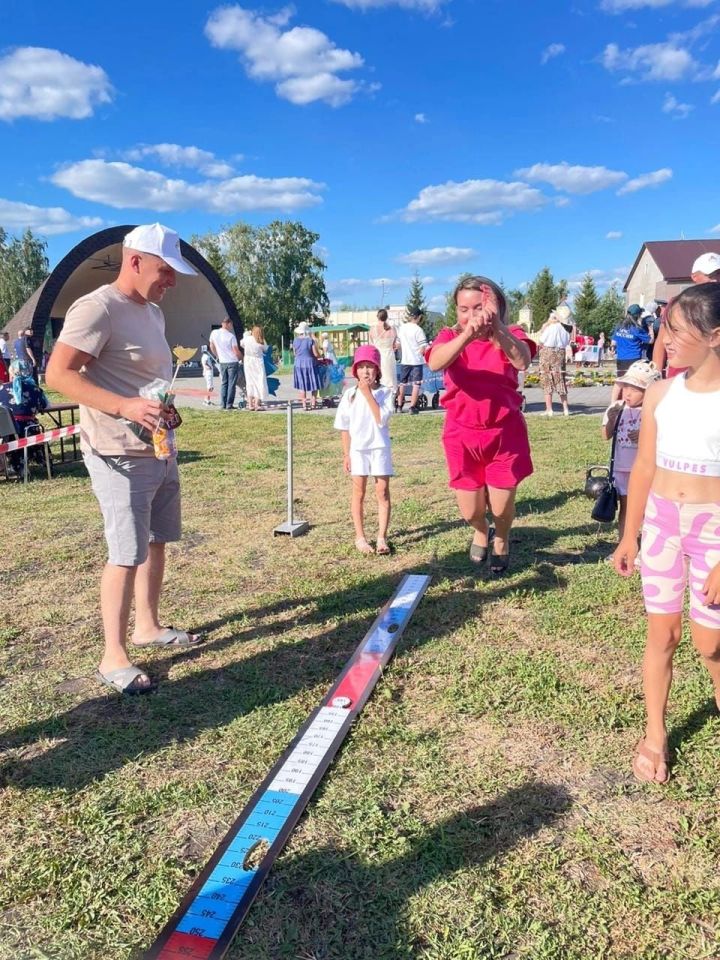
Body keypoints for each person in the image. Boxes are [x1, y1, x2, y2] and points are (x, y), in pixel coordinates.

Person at [46, 222, 204, 696]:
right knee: (126, 552)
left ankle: (148, 627)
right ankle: (113, 655)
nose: (171, 281)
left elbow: (146, 380)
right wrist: (126, 407)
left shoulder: (153, 313)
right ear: (134, 261)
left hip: (156, 445)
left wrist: (162, 412)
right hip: (116, 451)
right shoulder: (97, 308)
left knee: (156, 541)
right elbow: (58, 374)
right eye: (164, 271)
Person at [613, 283, 720, 784]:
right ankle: (655, 733)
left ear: (714, 336)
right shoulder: (659, 393)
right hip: (660, 526)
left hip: (714, 531)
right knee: (664, 635)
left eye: (676, 331)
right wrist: (629, 535)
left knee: (709, 642)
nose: (664, 339)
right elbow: (644, 469)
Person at [428, 276, 535, 575]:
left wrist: (497, 329)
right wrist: (468, 334)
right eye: (464, 308)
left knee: (501, 507)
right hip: (461, 434)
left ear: (496, 306)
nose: (471, 314)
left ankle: (501, 537)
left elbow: (522, 360)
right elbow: (436, 362)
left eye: (479, 307)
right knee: (470, 511)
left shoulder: (511, 333)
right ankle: (480, 529)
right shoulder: (448, 335)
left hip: (504, 433)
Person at [334, 345, 395, 555]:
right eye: (362, 367)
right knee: (358, 492)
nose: (366, 372)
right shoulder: (349, 395)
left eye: (370, 367)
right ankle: (360, 537)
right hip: (358, 450)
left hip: (379, 448)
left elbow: (381, 418)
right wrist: (346, 453)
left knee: (382, 492)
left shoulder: (386, 393)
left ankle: (381, 537)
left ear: (377, 370)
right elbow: (344, 426)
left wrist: (368, 393)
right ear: (355, 370)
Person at [601, 360, 660, 543]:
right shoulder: (617, 408)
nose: (627, 392)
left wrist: (646, 434)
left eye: (635, 389)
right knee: (627, 509)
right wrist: (610, 421)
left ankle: (646, 544)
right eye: (626, 386)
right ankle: (625, 543)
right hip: (621, 469)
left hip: (645, 470)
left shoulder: (654, 411)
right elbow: (605, 436)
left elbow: (663, 439)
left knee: (647, 509)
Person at [653, 254, 720, 375]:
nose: (715, 280)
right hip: (682, 377)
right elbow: (662, 340)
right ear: (694, 277)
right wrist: (655, 374)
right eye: (709, 275)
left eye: (718, 274)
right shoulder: (678, 303)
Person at [0, 358, 49, 476]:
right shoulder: (35, 389)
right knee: (33, 426)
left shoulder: (1, 389)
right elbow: (45, 406)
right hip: (30, 429)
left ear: (11, 372)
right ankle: (38, 460)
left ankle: (11, 465)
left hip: (6, 431)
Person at [536, 309, 571, 417]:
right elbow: (566, 342)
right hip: (560, 353)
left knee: (547, 380)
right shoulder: (565, 330)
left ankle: (549, 409)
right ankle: (565, 409)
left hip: (547, 353)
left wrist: (544, 327)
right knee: (560, 379)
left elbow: (541, 340)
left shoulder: (550, 328)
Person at [396, 308, 428, 414]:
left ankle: (400, 406)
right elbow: (423, 348)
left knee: (402, 383)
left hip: (405, 360)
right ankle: (412, 407)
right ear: (418, 317)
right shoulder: (418, 330)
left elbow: (398, 345)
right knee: (416, 384)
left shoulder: (402, 328)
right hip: (416, 361)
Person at [209, 317, 243, 410]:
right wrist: (242, 358)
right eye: (231, 325)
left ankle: (222, 404)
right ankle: (229, 404)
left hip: (222, 362)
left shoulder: (214, 333)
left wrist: (217, 355)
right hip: (232, 361)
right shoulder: (231, 336)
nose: (231, 327)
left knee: (224, 383)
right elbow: (236, 351)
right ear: (228, 324)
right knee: (231, 384)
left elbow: (211, 345)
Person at [292, 321, 321, 410]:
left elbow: (295, 353)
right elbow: (315, 354)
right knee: (314, 384)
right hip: (310, 364)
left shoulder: (295, 340)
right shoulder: (310, 340)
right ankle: (313, 403)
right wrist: (320, 356)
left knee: (302, 385)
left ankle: (304, 405)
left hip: (298, 364)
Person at [241, 325, 269, 411]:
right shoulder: (261, 341)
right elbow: (266, 349)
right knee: (259, 382)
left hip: (248, 361)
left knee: (250, 382)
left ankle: (250, 404)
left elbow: (241, 344)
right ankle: (257, 404)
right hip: (258, 362)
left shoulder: (247, 339)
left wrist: (247, 334)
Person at [369, 309, 399, 389]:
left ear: (377, 317)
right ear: (386, 317)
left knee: (378, 377)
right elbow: (395, 345)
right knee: (390, 378)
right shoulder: (392, 329)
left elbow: (371, 345)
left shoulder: (372, 329)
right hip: (389, 356)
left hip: (377, 356)